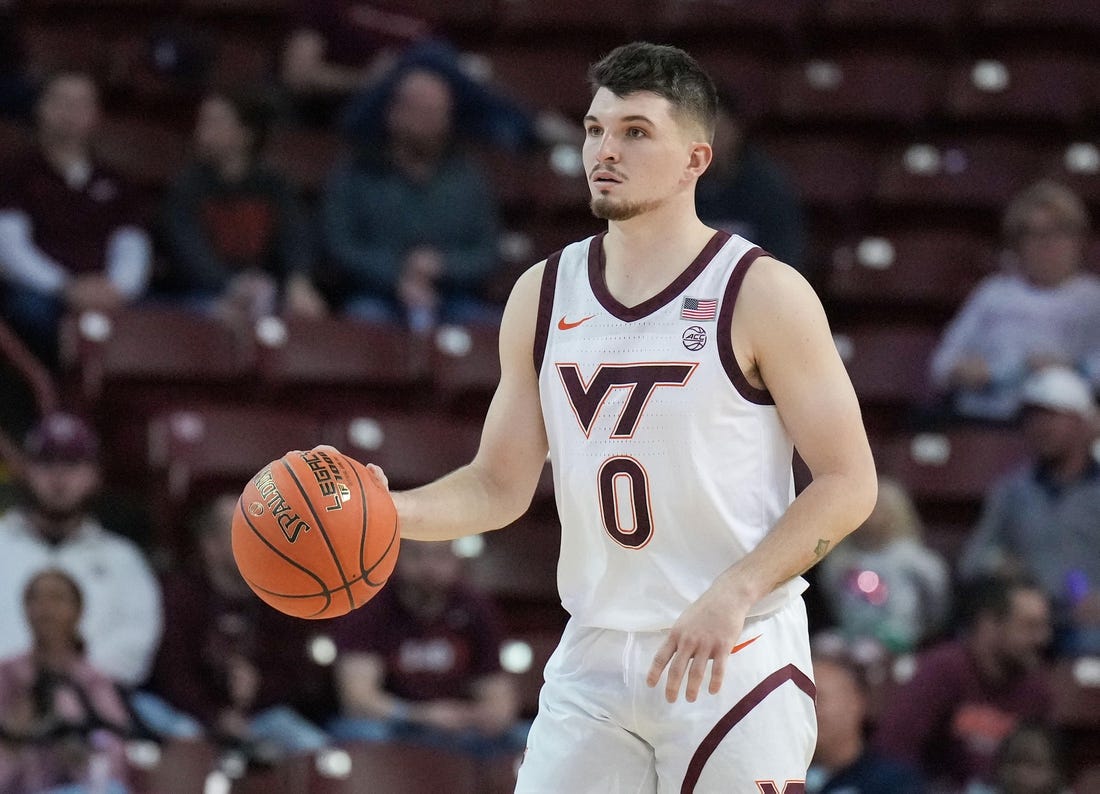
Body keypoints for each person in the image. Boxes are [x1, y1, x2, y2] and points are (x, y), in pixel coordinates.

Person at [366, 41, 878, 791]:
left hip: (734, 650)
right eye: (594, 129)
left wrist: (735, 591)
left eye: (636, 131)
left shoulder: (763, 292)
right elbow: (498, 486)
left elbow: (849, 483)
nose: (605, 150)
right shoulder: (542, 294)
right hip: (596, 654)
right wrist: (387, 511)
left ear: (694, 159)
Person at [134, 493, 331, 760]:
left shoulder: (283, 595)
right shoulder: (178, 595)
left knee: (315, 749)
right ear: (210, 545)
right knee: (180, 741)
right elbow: (171, 675)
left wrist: (259, 688)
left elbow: (297, 673)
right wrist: (216, 716)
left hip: (259, 714)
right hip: (188, 712)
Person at [320, 65, 503, 330]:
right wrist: (398, 275)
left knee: (495, 332)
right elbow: (338, 246)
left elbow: (487, 252)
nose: (436, 123)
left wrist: (442, 266)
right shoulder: (357, 173)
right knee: (364, 323)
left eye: (442, 113)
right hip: (374, 296)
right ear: (395, 113)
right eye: (426, 113)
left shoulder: (466, 176)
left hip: (453, 297)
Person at [0, 412, 163, 690]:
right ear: (25, 470)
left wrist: (69, 675)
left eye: (72, 463)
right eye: (46, 462)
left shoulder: (122, 558)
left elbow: (136, 647)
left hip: (93, 710)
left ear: (95, 474)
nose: (59, 477)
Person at [0, 70, 152, 366]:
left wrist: (117, 289)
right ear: (40, 108)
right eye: (62, 101)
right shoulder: (14, 174)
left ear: (96, 114)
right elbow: (9, 249)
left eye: (81, 103)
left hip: (108, 294)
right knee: (29, 314)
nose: (71, 112)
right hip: (41, 293)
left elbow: (132, 244)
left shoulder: (117, 182)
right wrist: (65, 286)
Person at [326, 539, 524, 758]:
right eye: (416, 555)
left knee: (528, 738)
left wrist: (474, 716)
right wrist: (423, 716)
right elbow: (358, 700)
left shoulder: (475, 606)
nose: (428, 567)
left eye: (440, 556)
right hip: (395, 725)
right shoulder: (370, 605)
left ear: (456, 558)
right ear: (396, 557)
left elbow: (500, 700)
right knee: (361, 734)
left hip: (457, 729)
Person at [928, 180, 1100, 423]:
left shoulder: (1092, 298)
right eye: (1035, 235)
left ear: (1078, 241)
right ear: (1018, 244)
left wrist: (1070, 369)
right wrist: (977, 372)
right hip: (988, 417)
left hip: (1062, 421)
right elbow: (942, 366)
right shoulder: (993, 293)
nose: (1047, 245)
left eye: (1058, 233)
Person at [957, 365, 1100, 656]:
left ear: (1084, 423)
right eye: (1033, 418)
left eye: (1054, 417)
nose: (1041, 427)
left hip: (1086, 618)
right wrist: (998, 565)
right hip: (1024, 616)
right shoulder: (1011, 491)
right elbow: (972, 561)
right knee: (977, 643)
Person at [159, 89, 326, 322]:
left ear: (246, 133)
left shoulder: (274, 185)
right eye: (202, 122)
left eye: (215, 122)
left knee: (302, 315)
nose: (202, 132)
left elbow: (294, 234)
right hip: (200, 293)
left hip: (263, 291)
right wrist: (231, 285)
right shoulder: (186, 187)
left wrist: (298, 280)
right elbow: (188, 251)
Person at [873, 576, 1054, 792]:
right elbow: (892, 753)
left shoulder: (1036, 688)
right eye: (1030, 627)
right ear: (988, 624)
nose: (1043, 638)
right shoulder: (942, 670)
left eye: (1044, 627)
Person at [0, 568, 132, 794]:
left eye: (57, 598)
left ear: (78, 611)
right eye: (35, 599)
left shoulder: (94, 682)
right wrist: (14, 737)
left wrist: (76, 746)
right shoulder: (7, 676)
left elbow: (113, 766)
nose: (45, 609)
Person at [818, 475, 952, 654]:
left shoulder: (918, 562)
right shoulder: (839, 560)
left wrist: (921, 635)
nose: (871, 515)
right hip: (851, 636)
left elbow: (937, 607)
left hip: (903, 641)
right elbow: (833, 601)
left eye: (878, 508)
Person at [695, 84, 808, 280]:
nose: (708, 141)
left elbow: (784, 261)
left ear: (736, 130)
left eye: (716, 131)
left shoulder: (766, 188)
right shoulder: (672, 186)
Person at [806, 641, 923, 793]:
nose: (807, 712)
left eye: (818, 699)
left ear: (856, 702)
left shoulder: (893, 783)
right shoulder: (779, 775)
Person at [965, 721, 1071, 794]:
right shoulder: (981, 791)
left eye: (1033, 764)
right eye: (1013, 761)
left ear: (1056, 772)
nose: (1021, 772)